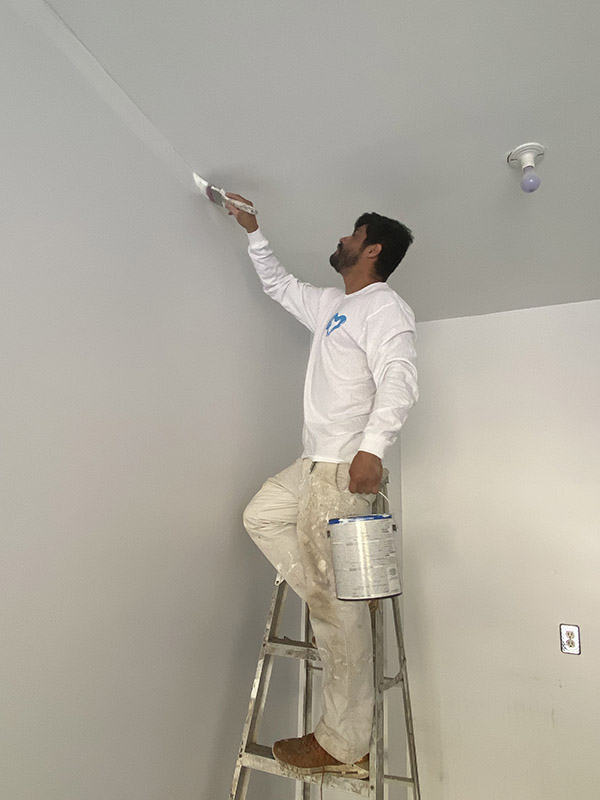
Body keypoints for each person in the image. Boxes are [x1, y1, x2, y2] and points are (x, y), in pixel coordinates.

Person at [226, 192, 418, 778]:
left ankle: (344, 743)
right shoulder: (335, 303)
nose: (342, 238)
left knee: (340, 616)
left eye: (352, 233)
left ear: (373, 249)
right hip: (314, 464)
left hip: (344, 470)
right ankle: (328, 593)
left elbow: (399, 376)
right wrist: (254, 231)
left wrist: (372, 448)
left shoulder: (385, 307)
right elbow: (280, 285)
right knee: (261, 515)